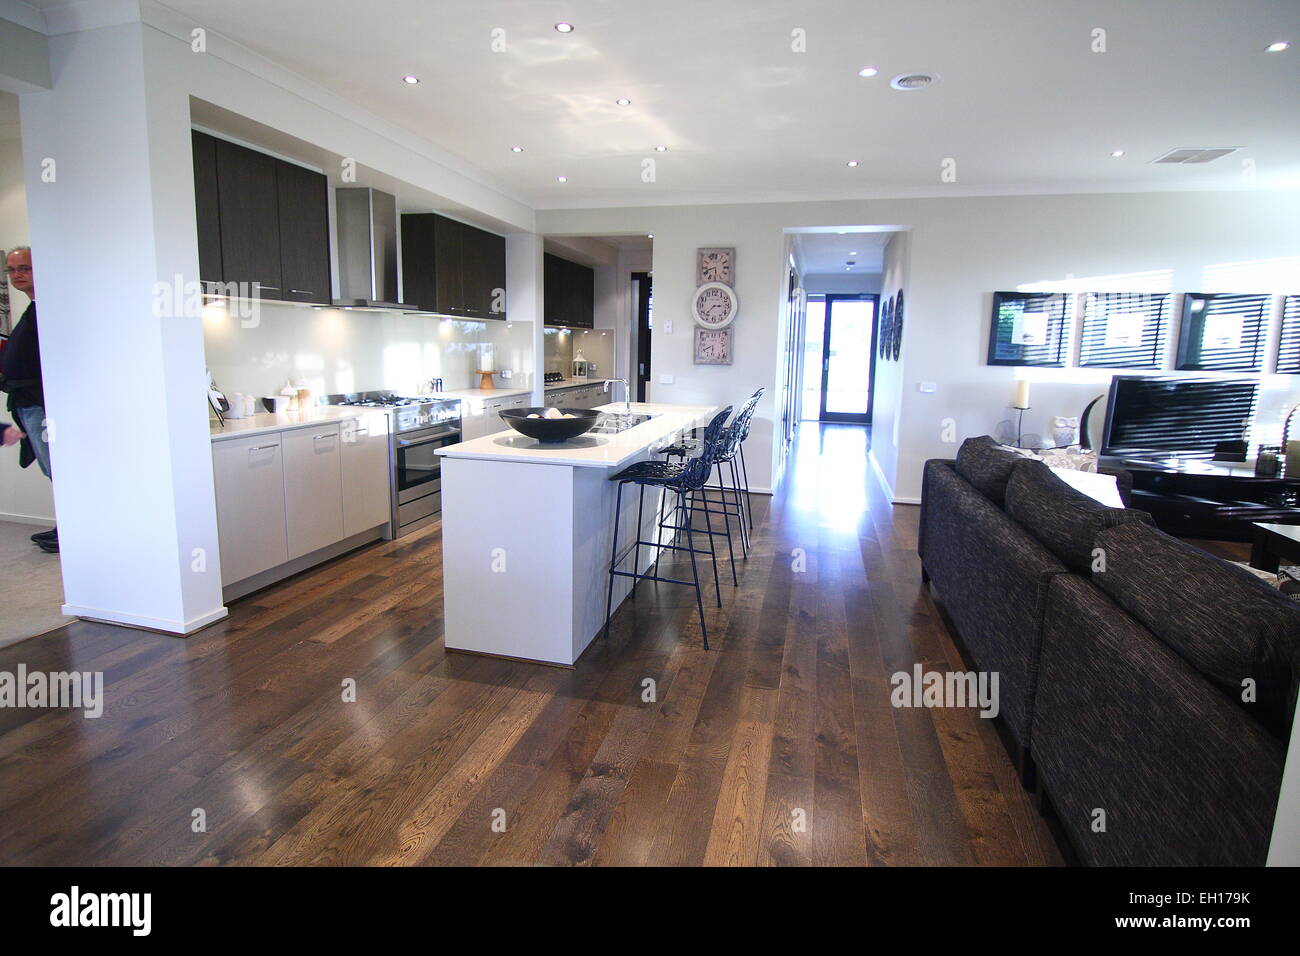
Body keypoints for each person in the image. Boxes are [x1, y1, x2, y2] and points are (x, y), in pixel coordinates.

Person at [1, 247, 56, 553]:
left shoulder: (48, 308)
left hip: (41, 404)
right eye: (12, 270)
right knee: (53, 470)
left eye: (24, 268)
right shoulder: (33, 309)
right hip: (30, 403)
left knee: (57, 469)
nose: (17, 275)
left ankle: (70, 529)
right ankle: (68, 526)